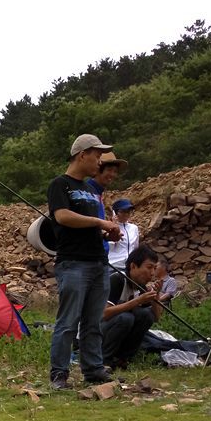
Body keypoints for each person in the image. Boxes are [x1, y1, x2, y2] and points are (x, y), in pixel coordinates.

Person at [47, 134, 121, 389]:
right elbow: (63, 216)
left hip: (98, 263)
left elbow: (88, 226)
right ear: (82, 155)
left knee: (93, 321)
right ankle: (59, 373)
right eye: (97, 155)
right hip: (73, 263)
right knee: (68, 322)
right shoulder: (60, 185)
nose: (99, 161)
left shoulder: (91, 190)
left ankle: (93, 369)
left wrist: (106, 233)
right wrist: (100, 222)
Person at [102, 245, 162, 369]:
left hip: (112, 331)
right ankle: (104, 360)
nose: (152, 273)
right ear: (133, 266)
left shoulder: (140, 287)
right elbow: (104, 314)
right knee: (126, 318)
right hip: (95, 331)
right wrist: (136, 301)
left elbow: (155, 318)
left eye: (155, 268)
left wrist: (156, 297)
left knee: (146, 315)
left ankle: (122, 359)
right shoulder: (117, 280)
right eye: (149, 267)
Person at [107, 198, 139, 268]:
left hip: (128, 268)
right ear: (115, 213)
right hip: (113, 266)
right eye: (123, 211)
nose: (126, 214)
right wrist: (114, 226)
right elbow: (109, 246)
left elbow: (136, 248)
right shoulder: (108, 227)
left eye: (129, 211)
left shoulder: (134, 228)